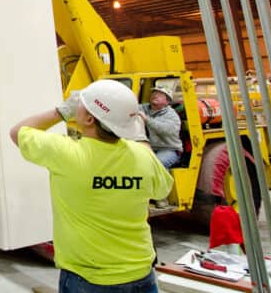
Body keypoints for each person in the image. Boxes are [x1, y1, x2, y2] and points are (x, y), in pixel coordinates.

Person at [10, 79, 173, 293]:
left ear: (88, 118)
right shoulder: (142, 155)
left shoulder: (65, 153)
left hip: (88, 279)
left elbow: (17, 132)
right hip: (142, 274)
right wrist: (138, 134)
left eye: (80, 104)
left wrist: (60, 112)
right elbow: (163, 190)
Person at [139, 84, 182, 169]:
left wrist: (147, 120)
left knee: (156, 165)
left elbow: (166, 130)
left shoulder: (171, 115)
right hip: (148, 147)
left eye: (160, 95)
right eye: (154, 93)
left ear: (167, 102)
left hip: (169, 149)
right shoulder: (144, 108)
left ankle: (165, 182)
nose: (155, 95)